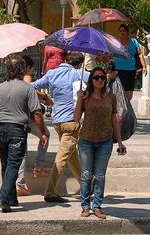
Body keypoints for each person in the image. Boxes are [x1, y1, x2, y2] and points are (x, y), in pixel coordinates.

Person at [0, 53, 48, 212]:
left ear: (7, 70)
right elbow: (37, 113)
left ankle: (11, 199)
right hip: (17, 130)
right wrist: (42, 132)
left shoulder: (0, 87)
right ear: (22, 70)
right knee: (13, 164)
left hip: (1, 129)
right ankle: (4, 197)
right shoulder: (28, 88)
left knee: (6, 164)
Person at [32, 51, 89, 203]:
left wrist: (44, 97)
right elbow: (100, 81)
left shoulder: (52, 73)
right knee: (62, 158)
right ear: (79, 63)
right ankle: (50, 192)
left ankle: (86, 187)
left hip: (57, 121)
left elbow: (32, 87)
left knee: (71, 155)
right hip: (72, 120)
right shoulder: (79, 73)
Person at [74, 67, 126, 219]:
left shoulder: (111, 97)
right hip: (86, 141)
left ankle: (97, 206)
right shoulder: (85, 96)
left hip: (105, 141)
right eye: (96, 77)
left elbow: (114, 120)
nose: (100, 80)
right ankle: (85, 206)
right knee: (86, 175)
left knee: (100, 175)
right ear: (91, 80)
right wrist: (79, 99)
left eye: (102, 78)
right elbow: (76, 118)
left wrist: (120, 142)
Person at [15, 55, 52, 196]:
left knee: (22, 151)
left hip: (16, 118)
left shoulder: (11, 78)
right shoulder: (26, 77)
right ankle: (38, 166)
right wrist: (44, 96)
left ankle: (20, 183)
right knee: (46, 135)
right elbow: (29, 89)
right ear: (28, 68)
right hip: (28, 118)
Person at [113, 24, 147, 101]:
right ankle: (119, 110)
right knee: (118, 91)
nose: (122, 33)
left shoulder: (134, 42)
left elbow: (140, 54)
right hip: (118, 69)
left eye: (124, 31)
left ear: (127, 32)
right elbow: (111, 54)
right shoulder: (115, 43)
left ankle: (127, 108)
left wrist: (144, 66)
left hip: (130, 70)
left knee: (129, 93)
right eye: (120, 31)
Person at [41, 44, 66, 117]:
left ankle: (57, 108)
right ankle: (49, 108)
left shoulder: (62, 46)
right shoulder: (47, 46)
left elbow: (65, 58)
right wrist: (43, 70)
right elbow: (45, 59)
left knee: (58, 89)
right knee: (50, 89)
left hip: (60, 69)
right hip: (50, 70)